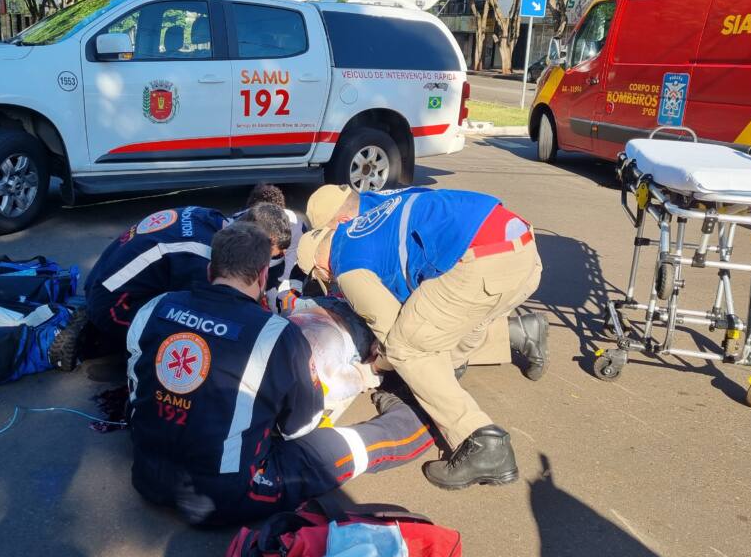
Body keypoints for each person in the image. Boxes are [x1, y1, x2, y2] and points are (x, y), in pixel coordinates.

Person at [126, 222, 434, 526]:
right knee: (349, 447)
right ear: (262, 276)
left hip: (146, 477)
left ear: (211, 270)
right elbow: (300, 427)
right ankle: (424, 418)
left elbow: (138, 389)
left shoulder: (157, 306)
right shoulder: (276, 335)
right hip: (226, 497)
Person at [297, 187, 543, 491]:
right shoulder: (370, 211)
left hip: (480, 262)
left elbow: (394, 337)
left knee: (405, 347)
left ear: (321, 268)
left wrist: (374, 369)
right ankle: (450, 373)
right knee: (447, 322)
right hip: (521, 248)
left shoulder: (346, 267)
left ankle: (480, 442)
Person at [305, 184, 549, 380]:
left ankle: (509, 339)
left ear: (343, 221)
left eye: (328, 233)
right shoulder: (380, 201)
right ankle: (521, 332)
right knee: (447, 324)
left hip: (476, 259)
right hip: (505, 240)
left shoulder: (363, 232)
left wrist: (382, 359)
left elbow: (397, 313)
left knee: (415, 338)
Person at [52, 200, 292, 370]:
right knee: (189, 328)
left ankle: (98, 326)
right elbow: (211, 310)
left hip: (100, 279)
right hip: (112, 306)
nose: (265, 262)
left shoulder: (209, 217)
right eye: (267, 255)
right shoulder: (205, 255)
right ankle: (96, 341)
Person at [236, 183, 306, 312]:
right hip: (250, 269)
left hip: (278, 271)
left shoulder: (295, 226)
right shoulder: (236, 227)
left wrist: (287, 288)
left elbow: (293, 265)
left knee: (279, 305)